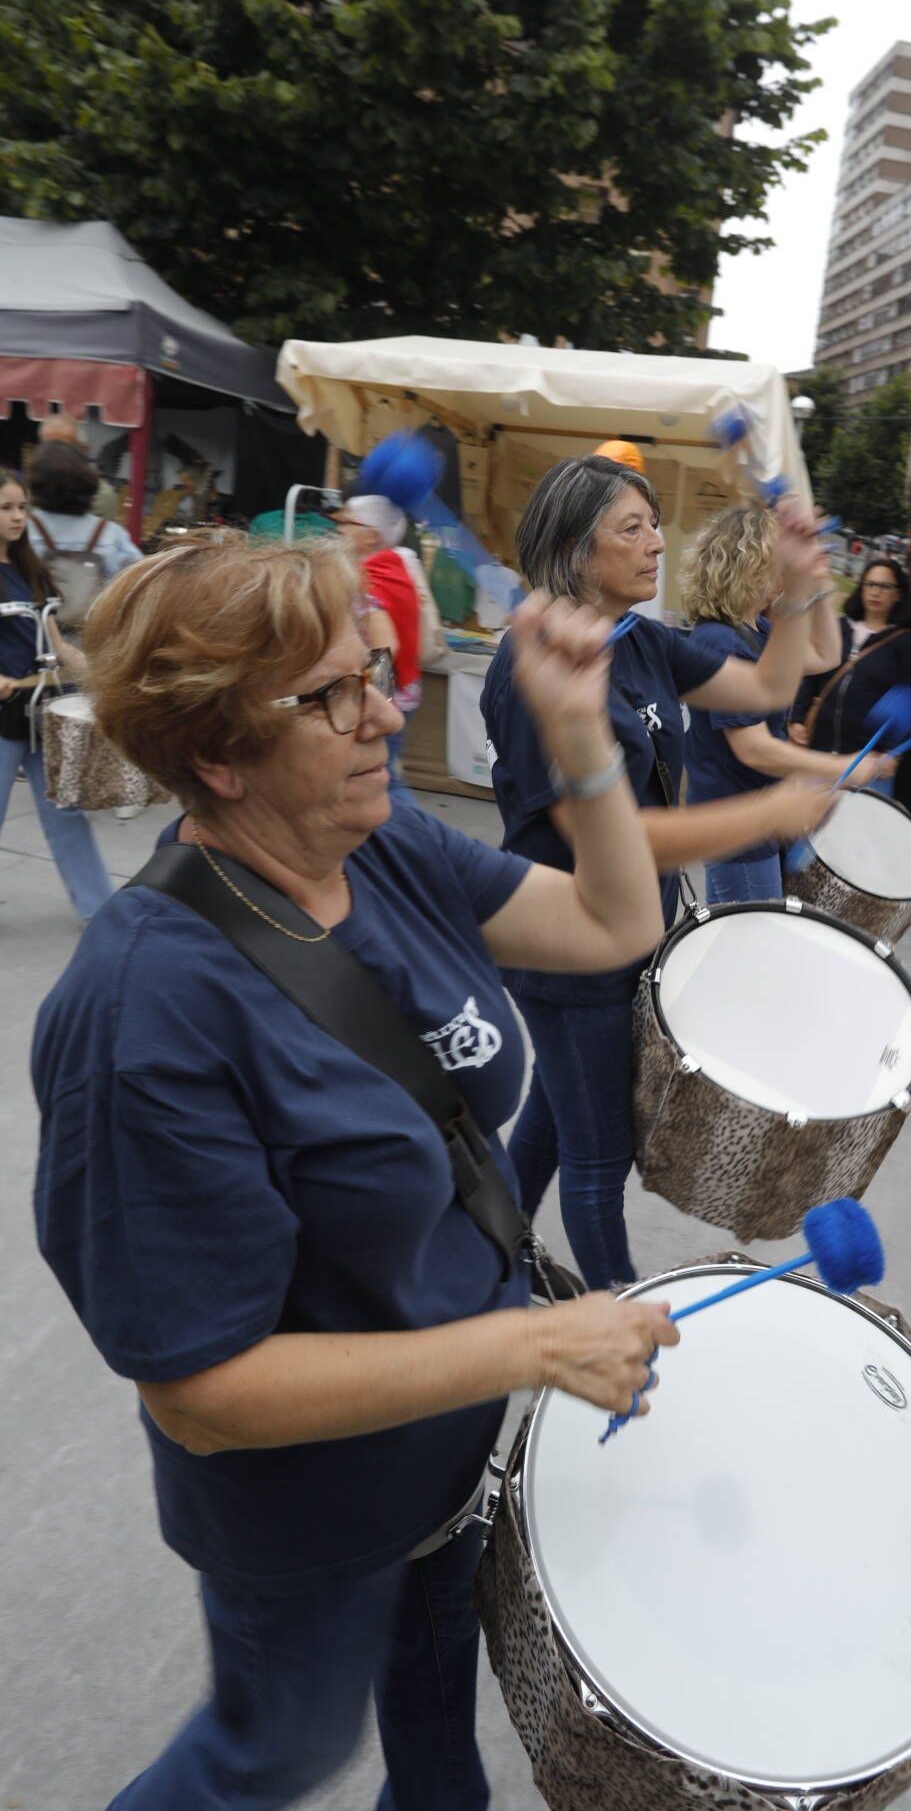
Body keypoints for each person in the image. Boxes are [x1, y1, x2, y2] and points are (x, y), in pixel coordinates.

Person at [32, 534, 681, 1811]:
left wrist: (579, 737)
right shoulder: (145, 1010)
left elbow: (617, 921)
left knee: (436, 1735)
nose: (387, 711)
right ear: (215, 754)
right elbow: (203, 1393)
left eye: (375, 672)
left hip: (444, 1447)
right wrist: (532, 1349)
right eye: (330, 697)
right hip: (313, 1513)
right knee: (271, 1751)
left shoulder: (377, 847)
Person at [480, 454, 835, 1288]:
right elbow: (602, 831)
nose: (654, 545)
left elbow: (770, 682)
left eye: (653, 525)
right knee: (599, 1156)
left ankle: (486, 1253)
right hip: (561, 935)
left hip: (629, 924)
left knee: (552, 1116)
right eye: (630, 529)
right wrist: (763, 814)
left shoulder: (641, 643)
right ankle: (623, 1327)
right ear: (575, 550)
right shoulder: (534, 665)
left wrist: (796, 589)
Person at [681, 503, 890, 904]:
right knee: (746, 953)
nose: (782, 573)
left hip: (759, 821)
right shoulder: (718, 641)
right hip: (735, 827)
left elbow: (827, 655)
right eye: (778, 563)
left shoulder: (758, 629)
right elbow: (754, 749)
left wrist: (816, 582)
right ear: (750, 565)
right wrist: (841, 768)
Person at [0, 467, 114, 922]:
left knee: (65, 813)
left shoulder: (29, 570)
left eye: (22, 507)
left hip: (40, 711)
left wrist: (107, 675)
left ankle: (99, 909)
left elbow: (60, 647)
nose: (17, 517)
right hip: (3, 716)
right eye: (6, 508)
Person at [790, 554, 911, 795]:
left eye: (885, 586)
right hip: (817, 751)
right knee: (802, 826)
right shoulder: (838, 627)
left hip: (868, 761)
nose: (876, 592)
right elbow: (810, 675)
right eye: (870, 584)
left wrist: (893, 753)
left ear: (898, 594)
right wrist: (797, 719)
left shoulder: (907, 643)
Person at [335, 492, 425, 773]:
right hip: (404, 692)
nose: (340, 529)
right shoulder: (394, 567)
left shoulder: (370, 579)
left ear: (371, 536)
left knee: (382, 779)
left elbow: (386, 648)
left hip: (388, 697)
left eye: (348, 523)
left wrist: (374, 704)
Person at [26, 439, 139, 582]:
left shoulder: (21, 532)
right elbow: (141, 582)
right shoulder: (111, 534)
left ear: (35, 485)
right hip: (95, 604)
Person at [37, 412, 121, 521]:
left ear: (83, 450)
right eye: (48, 448)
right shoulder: (31, 490)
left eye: (63, 449)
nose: (54, 455)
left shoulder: (101, 496)